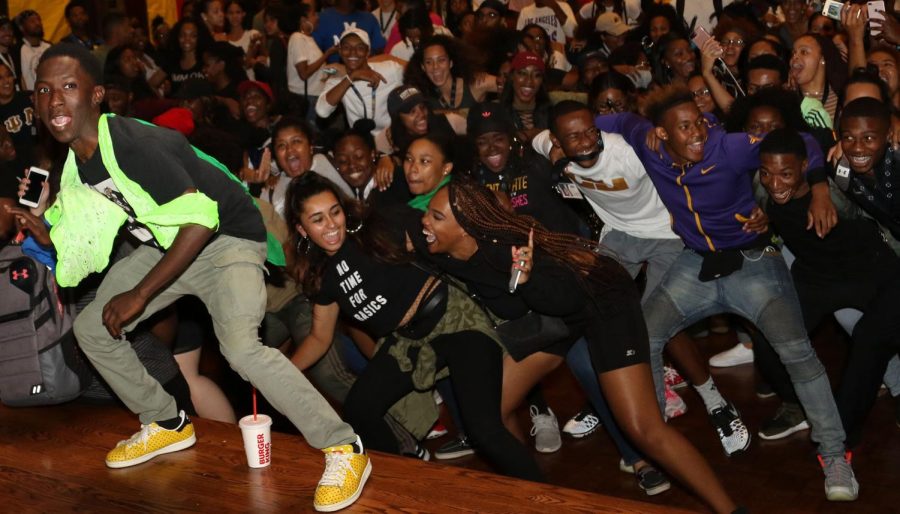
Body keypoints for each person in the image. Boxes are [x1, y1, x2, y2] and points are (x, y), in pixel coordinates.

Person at [31, 43, 370, 513]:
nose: (54, 101)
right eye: (43, 90)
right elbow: (86, 231)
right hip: (170, 242)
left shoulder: (131, 144)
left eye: (68, 87)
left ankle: (343, 447)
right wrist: (46, 235)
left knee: (239, 347)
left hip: (226, 237)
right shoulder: (77, 165)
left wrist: (140, 294)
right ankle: (167, 423)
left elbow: (203, 220)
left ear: (97, 96)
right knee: (92, 328)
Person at [596, 85, 859, 501]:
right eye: (685, 127)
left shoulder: (728, 145)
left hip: (753, 263)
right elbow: (604, 121)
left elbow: (801, 142)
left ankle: (835, 455)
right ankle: (656, 441)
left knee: (798, 353)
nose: (699, 132)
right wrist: (553, 146)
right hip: (695, 263)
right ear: (662, 134)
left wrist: (820, 188)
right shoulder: (648, 141)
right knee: (644, 334)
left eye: (699, 122)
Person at [418, 178, 741, 513]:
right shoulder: (446, 248)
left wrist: (528, 282)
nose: (425, 221)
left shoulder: (505, 252)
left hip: (602, 300)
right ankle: (532, 498)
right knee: (490, 417)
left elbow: (566, 297)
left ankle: (730, 510)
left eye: (436, 217)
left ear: (467, 229)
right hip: (555, 317)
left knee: (643, 427)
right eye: (428, 213)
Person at [284, 171, 544, 482]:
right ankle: (401, 484)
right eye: (317, 219)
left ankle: (544, 497)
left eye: (335, 212)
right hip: (408, 343)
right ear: (301, 229)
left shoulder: (378, 226)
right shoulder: (323, 276)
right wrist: (277, 372)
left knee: (483, 430)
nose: (331, 225)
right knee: (360, 407)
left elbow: (447, 237)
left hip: (454, 320)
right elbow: (319, 336)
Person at [316, 25, 404, 133]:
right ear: (340, 51)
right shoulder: (338, 81)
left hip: (390, 137)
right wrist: (351, 77)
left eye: (360, 48)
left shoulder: (390, 69)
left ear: (368, 52)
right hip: (360, 141)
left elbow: (415, 69)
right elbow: (322, 111)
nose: (353, 52)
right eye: (346, 47)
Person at [403, 35, 497, 113]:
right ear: (423, 67)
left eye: (441, 60)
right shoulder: (423, 97)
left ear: (451, 63)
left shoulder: (475, 83)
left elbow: (509, 84)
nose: (435, 67)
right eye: (429, 62)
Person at [15, 10, 50, 91]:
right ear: (21, 27)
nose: (37, 23)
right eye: (32, 21)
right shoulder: (16, 50)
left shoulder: (49, 47)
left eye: (39, 20)